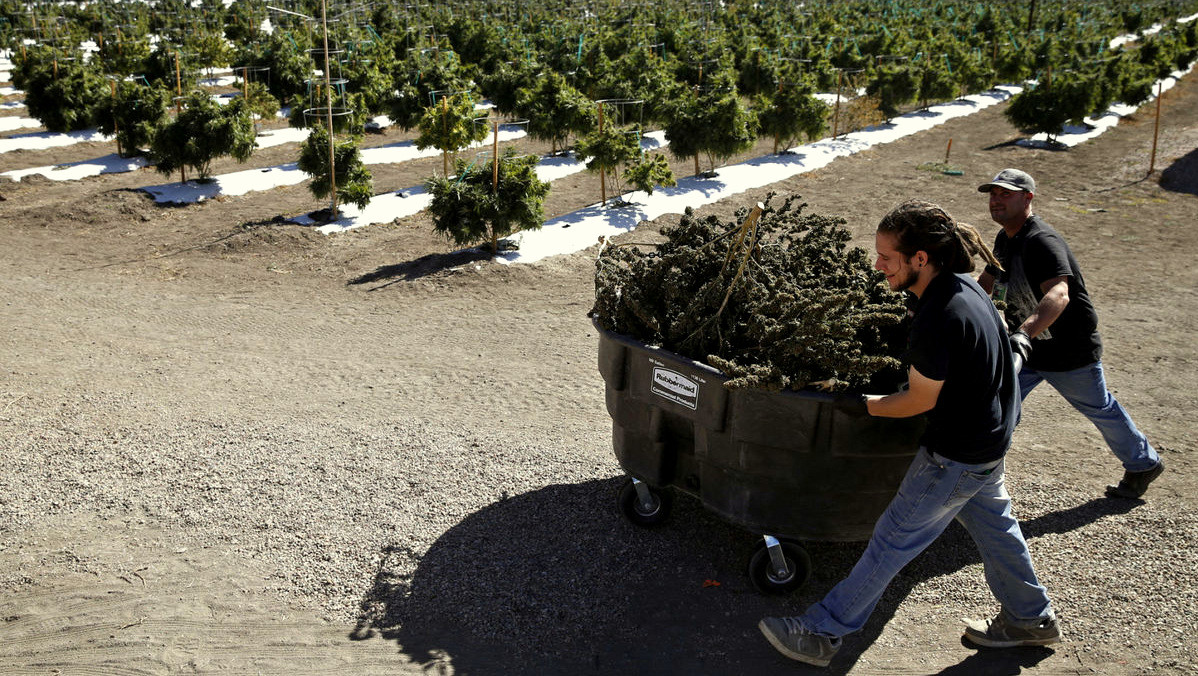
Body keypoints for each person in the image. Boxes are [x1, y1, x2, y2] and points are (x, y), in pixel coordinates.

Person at [759, 200, 1059, 667]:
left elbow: (919, 400)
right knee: (996, 528)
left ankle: (820, 631)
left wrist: (856, 405)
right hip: (989, 444)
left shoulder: (940, 316)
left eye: (887, 257)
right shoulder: (965, 287)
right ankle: (1030, 619)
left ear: (921, 258)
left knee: (891, 541)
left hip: (955, 456)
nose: (877, 266)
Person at [975, 168, 1164, 500]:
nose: (996, 200)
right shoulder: (1004, 239)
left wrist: (1023, 334)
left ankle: (1143, 463)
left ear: (1028, 198)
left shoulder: (1041, 241)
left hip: (1067, 349)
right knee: (999, 405)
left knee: (1099, 408)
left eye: (1006, 194)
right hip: (1029, 348)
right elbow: (988, 281)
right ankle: (980, 475)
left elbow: (1059, 294)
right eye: (993, 194)